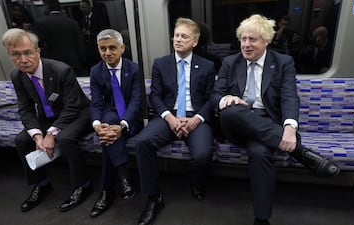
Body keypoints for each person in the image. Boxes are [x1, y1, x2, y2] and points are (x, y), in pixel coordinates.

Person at [212, 15, 340, 225]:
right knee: (230, 110)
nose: (246, 44)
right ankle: (301, 153)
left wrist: (289, 128)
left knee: (260, 153)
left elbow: (290, 96)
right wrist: (227, 98)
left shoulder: (282, 62)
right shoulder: (230, 62)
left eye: (252, 39)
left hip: (266, 123)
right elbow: (216, 95)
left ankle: (261, 219)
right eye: (243, 39)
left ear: (266, 41)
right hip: (235, 122)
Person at [134, 18, 216, 225]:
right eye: (176, 35)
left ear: (194, 42)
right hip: (168, 115)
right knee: (143, 142)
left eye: (184, 36)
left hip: (195, 116)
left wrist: (195, 119)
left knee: (202, 154)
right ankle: (154, 198)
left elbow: (211, 98)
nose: (178, 40)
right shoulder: (161, 63)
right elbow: (155, 96)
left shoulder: (207, 66)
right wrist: (170, 118)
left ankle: (196, 182)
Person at [1, 28, 93, 212]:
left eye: (27, 52)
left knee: (65, 138)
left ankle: (82, 185)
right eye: (16, 55)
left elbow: (72, 106)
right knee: (22, 140)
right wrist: (37, 136)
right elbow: (25, 108)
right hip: (49, 116)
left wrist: (51, 133)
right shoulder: (17, 76)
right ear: (9, 56)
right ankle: (41, 184)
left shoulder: (61, 70)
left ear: (37, 51)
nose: (23, 59)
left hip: (79, 113)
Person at [88, 29, 143, 218]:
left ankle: (106, 191)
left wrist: (123, 125)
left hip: (131, 120)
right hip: (110, 120)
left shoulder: (133, 69)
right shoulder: (96, 71)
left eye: (112, 48)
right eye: (102, 49)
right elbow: (96, 102)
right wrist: (96, 125)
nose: (107, 53)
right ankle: (123, 177)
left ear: (122, 48)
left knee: (109, 134)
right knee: (107, 127)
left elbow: (136, 102)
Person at [34, 0, 87, 76]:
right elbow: (80, 45)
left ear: (47, 7)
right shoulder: (72, 22)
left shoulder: (40, 23)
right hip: (73, 63)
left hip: (52, 65)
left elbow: (39, 45)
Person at [78, 0, 111, 69]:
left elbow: (103, 32)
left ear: (90, 7)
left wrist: (89, 33)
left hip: (98, 47)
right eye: (80, 7)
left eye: (83, 7)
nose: (81, 9)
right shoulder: (82, 20)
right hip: (88, 50)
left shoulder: (99, 18)